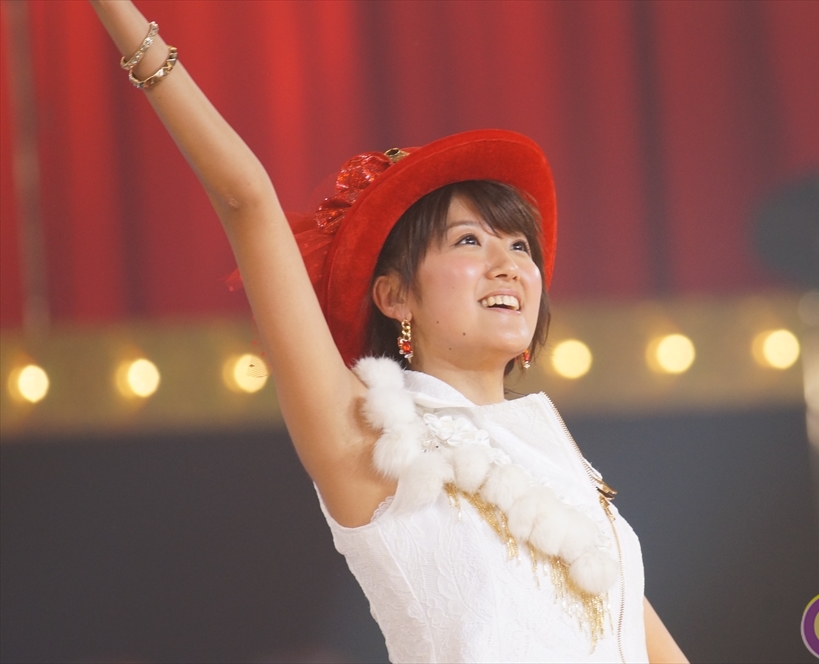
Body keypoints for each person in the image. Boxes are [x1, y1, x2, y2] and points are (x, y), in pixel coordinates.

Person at [89, 2, 688, 662]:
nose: (509, 264)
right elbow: (246, 200)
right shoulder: (369, 435)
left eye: (521, 246)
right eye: (469, 240)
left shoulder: (558, 453)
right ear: (395, 295)